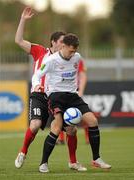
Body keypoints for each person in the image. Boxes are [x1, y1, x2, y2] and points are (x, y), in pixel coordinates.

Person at [14, 7, 86, 172]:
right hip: (39, 95)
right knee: (35, 125)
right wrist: (23, 19)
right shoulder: (40, 51)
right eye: (62, 41)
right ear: (53, 42)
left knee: (71, 129)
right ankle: (23, 152)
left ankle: (73, 161)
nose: (65, 44)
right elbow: (18, 41)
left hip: (57, 96)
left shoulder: (68, 57)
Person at [32, 33, 111, 173]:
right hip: (55, 96)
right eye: (70, 50)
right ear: (63, 46)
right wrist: (37, 84)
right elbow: (37, 75)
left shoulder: (77, 57)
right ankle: (43, 163)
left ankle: (96, 159)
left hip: (72, 96)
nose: (72, 53)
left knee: (92, 121)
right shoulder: (51, 60)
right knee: (57, 128)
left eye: (75, 51)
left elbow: (79, 72)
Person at [57, 59, 89, 144]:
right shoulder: (56, 59)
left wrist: (81, 91)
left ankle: (88, 137)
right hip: (61, 91)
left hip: (74, 91)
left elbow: (83, 75)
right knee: (59, 113)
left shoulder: (77, 59)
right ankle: (60, 138)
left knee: (82, 114)